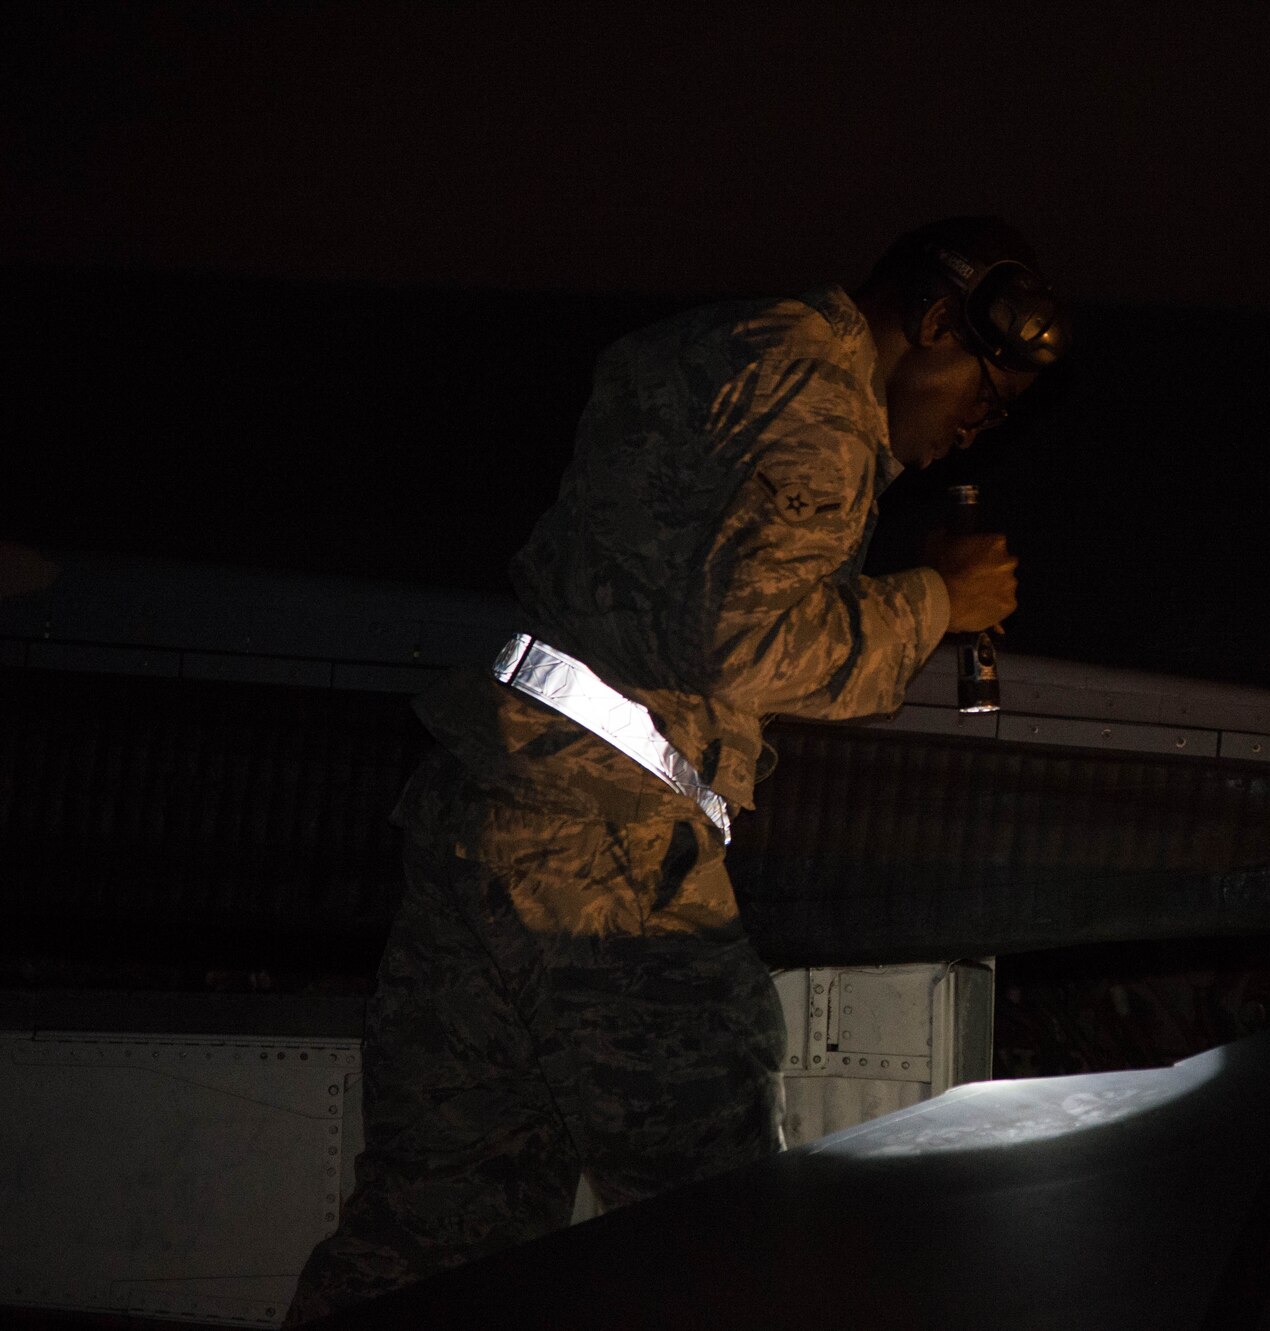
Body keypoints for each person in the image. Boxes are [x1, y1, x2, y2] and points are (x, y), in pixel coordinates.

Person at [286, 216, 1069, 1323]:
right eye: (980, 399)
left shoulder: (706, 346)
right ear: (932, 323)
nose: (971, 434)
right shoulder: (823, 403)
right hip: (608, 872)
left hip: (488, 818)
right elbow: (744, 643)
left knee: (431, 1237)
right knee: (726, 1234)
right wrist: (937, 600)